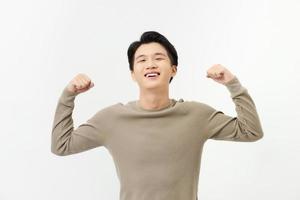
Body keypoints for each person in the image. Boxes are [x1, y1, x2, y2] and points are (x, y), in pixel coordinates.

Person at [51, 31, 264, 200]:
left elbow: (251, 131)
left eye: (158, 58)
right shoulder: (112, 119)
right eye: (142, 60)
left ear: (173, 69)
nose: (151, 64)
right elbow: (61, 146)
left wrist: (232, 83)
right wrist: (69, 95)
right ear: (133, 74)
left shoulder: (196, 115)